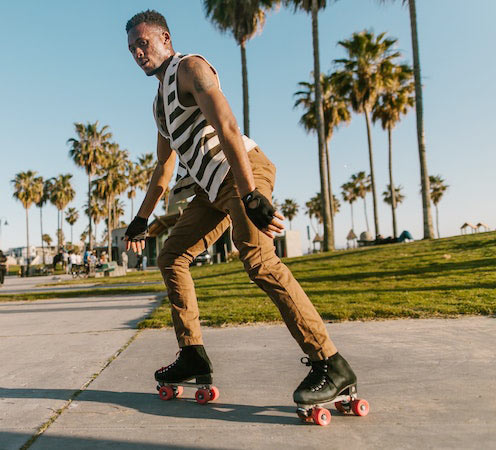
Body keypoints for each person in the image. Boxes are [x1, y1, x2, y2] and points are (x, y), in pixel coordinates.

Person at [123, 10, 358, 409]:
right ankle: (193, 354)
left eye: (143, 43)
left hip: (241, 172)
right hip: (212, 190)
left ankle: (330, 363)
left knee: (259, 261)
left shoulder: (190, 68)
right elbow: (164, 166)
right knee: (171, 257)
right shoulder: (159, 105)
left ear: (164, 37)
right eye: (132, 49)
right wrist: (141, 218)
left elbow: (228, 125)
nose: (138, 53)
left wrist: (251, 193)